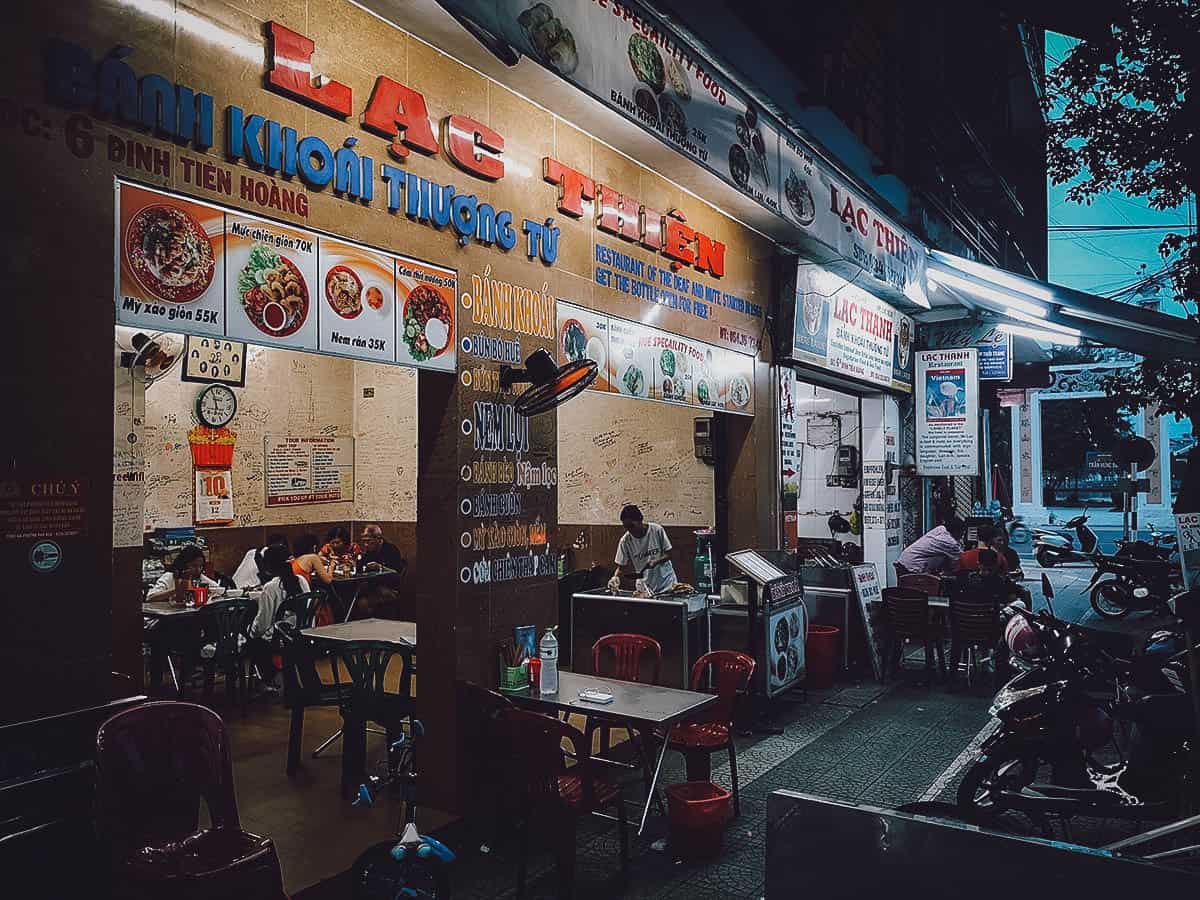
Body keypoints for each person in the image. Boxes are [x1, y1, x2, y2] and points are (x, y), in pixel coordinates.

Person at [246, 543, 309, 686]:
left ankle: (267, 680)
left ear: (268, 567)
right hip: (303, 634)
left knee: (252, 641)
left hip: (280, 639)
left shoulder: (271, 588)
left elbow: (262, 624)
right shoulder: (302, 581)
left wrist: (249, 632)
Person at [614, 505, 677, 594]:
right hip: (644, 588)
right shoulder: (625, 541)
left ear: (640, 520)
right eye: (626, 527)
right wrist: (615, 578)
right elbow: (621, 567)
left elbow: (670, 554)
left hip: (666, 584)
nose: (630, 530)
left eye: (631, 526)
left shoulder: (657, 530)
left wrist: (656, 561)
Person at [146, 545, 220, 602]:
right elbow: (150, 597)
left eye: (201, 566)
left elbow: (217, 589)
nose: (198, 569)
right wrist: (176, 590)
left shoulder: (200, 578)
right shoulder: (169, 577)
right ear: (184, 564)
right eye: (194, 566)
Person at [896, 517, 966, 575]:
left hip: (903, 561)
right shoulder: (949, 542)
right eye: (962, 533)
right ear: (956, 531)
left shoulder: (940, 529)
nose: (962, 536)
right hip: (911, 567)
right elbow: (963, 558)